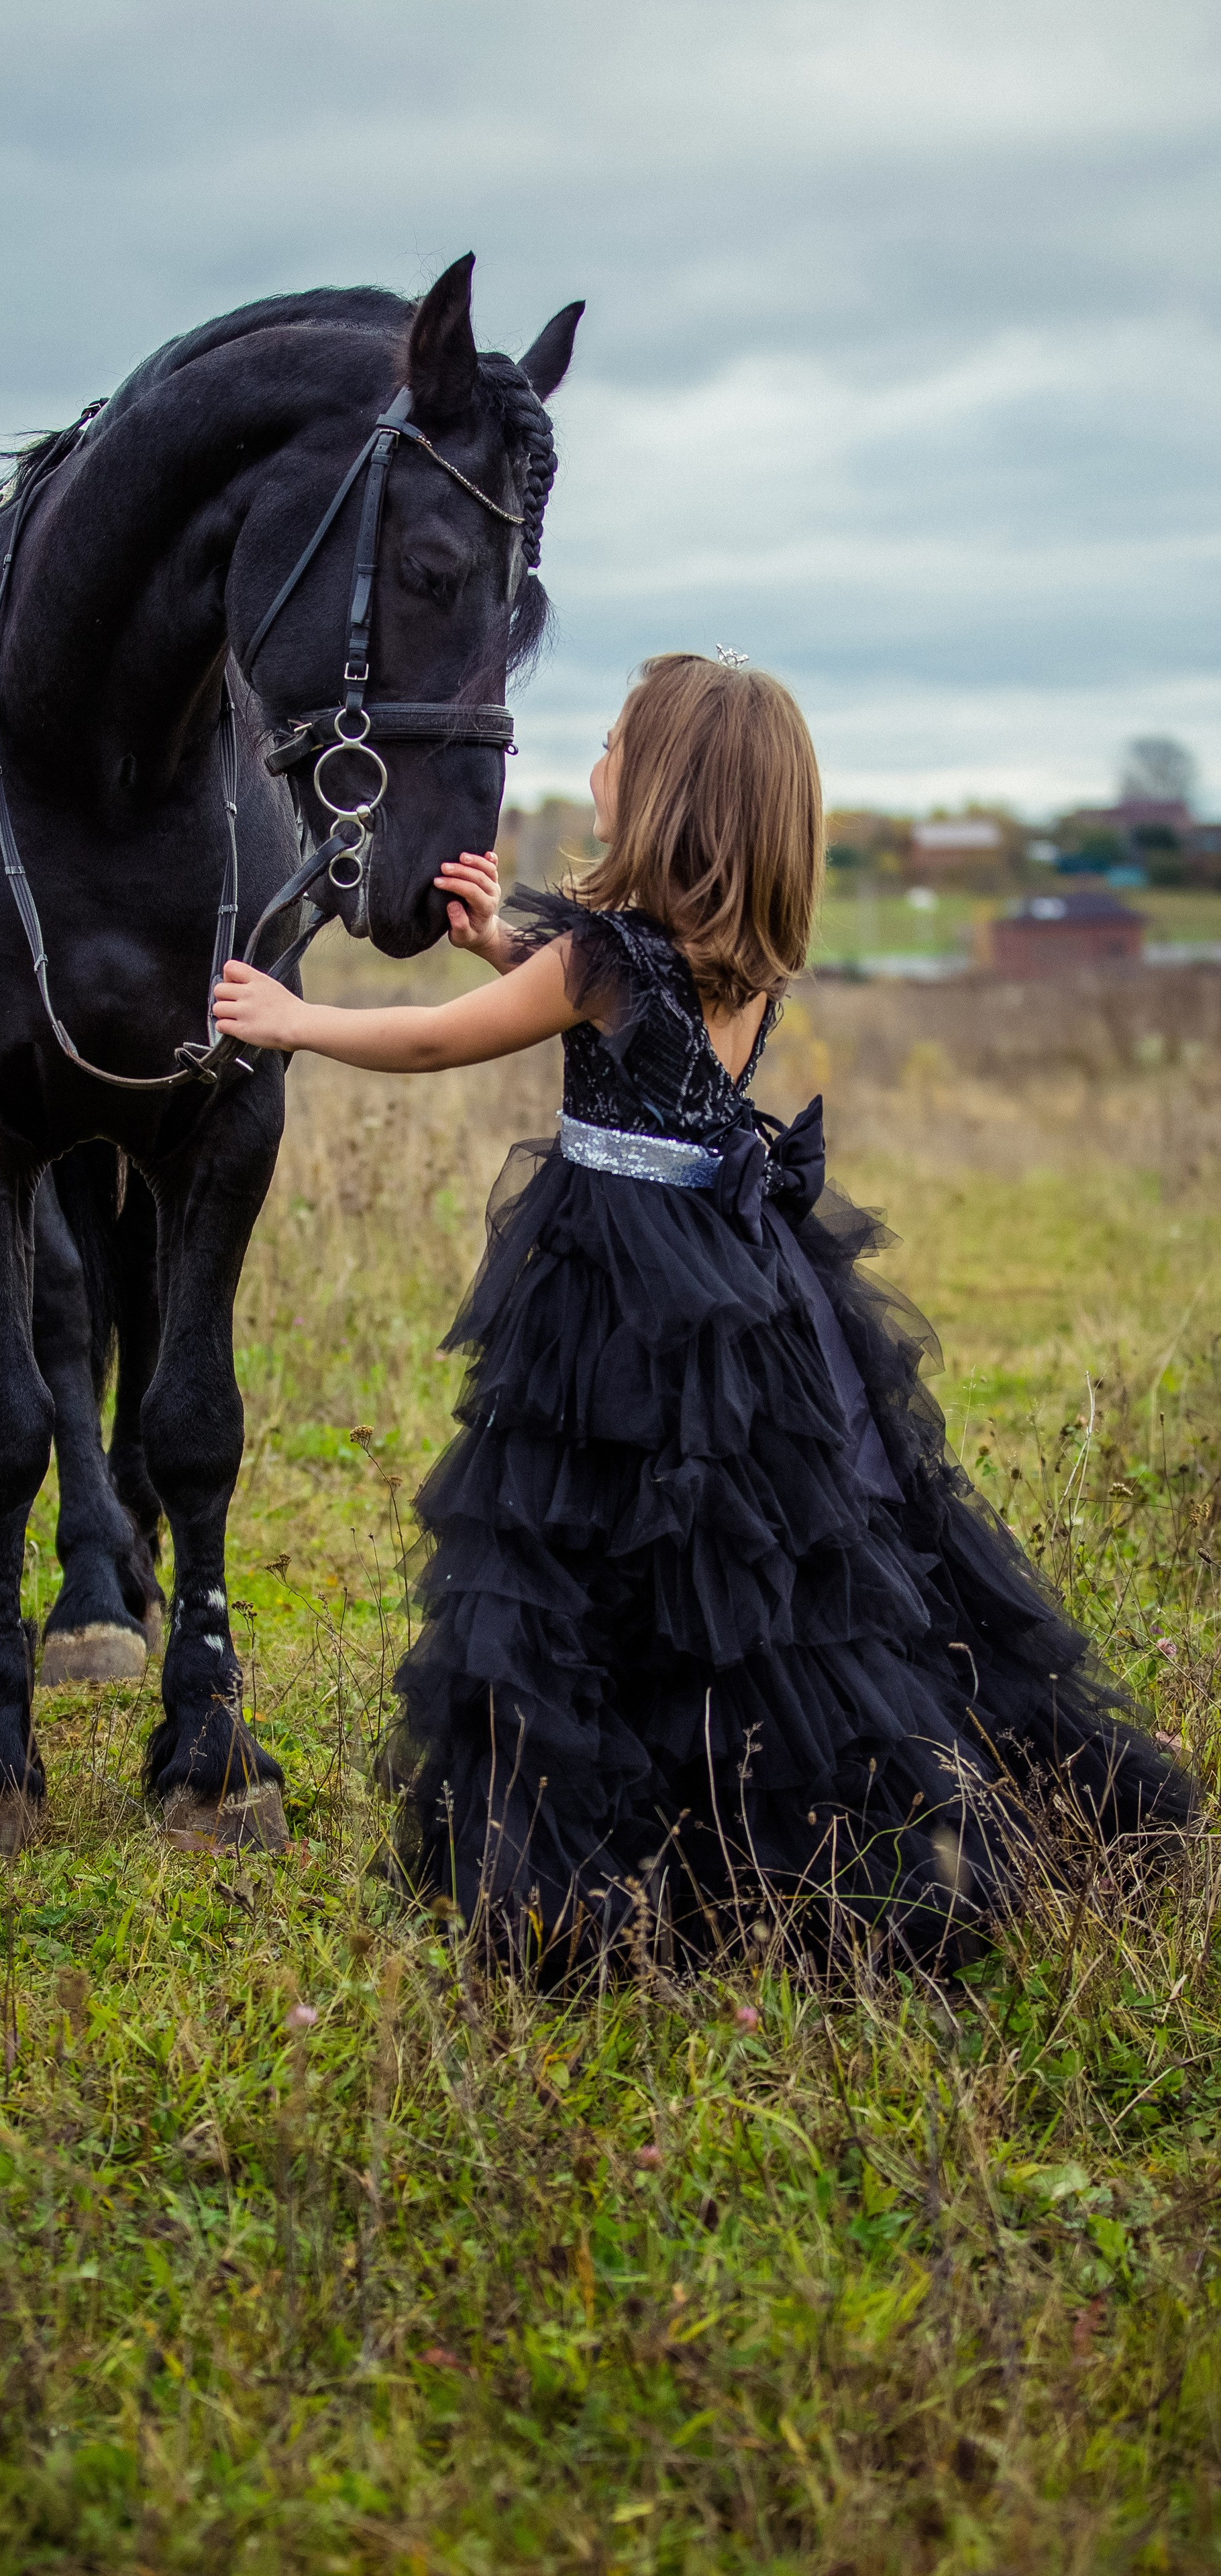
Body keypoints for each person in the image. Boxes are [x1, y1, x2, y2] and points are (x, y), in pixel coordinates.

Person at [213, 653, 1194, 1974]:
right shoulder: (728, 960)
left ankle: (611, 1860)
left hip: (614, 1284)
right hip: (733, 1272)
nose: (598, 758)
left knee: (581, 1544)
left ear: (664, 789)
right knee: (750, 1561)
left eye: (616, 741)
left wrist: (293, 1018)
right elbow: (620, 1018)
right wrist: (503, 937)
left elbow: (445, 1041)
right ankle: (783, 1832)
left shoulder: (603, 955)